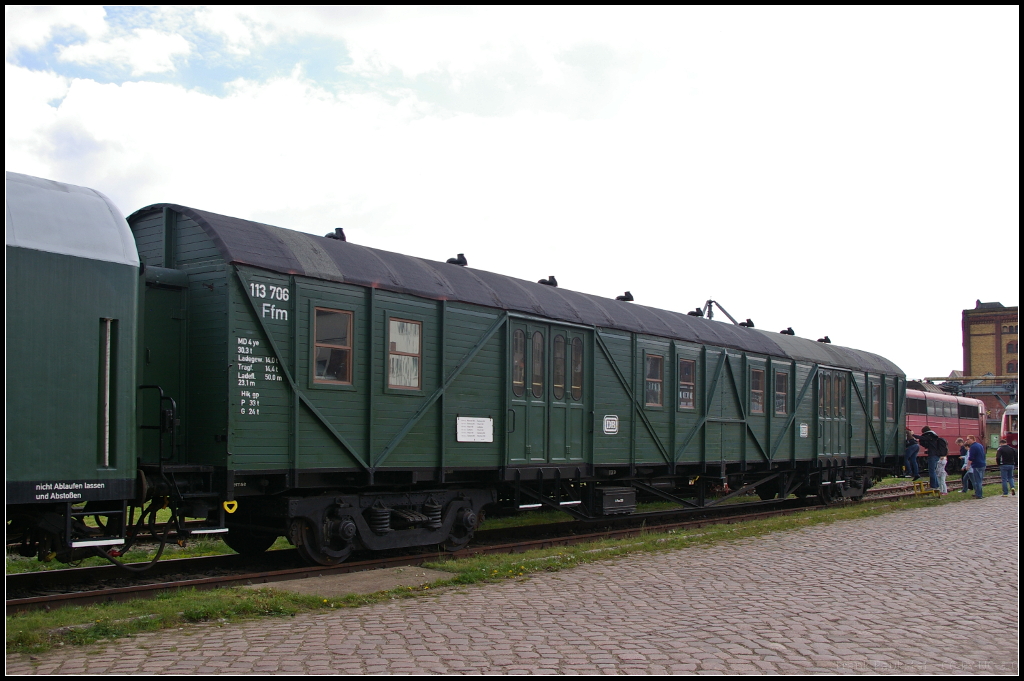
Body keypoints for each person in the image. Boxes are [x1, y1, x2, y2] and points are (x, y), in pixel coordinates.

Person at [965, 435, 986, 499]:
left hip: (977, 465)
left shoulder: (973, 447)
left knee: (977, 481)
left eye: (968, 439)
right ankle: (978, 493)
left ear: (972, 439)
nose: (967, 440)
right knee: (980, 480)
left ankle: (979, 494)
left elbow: (971, 457)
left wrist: (968, 466)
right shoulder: (980, 445)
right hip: (982, 464)